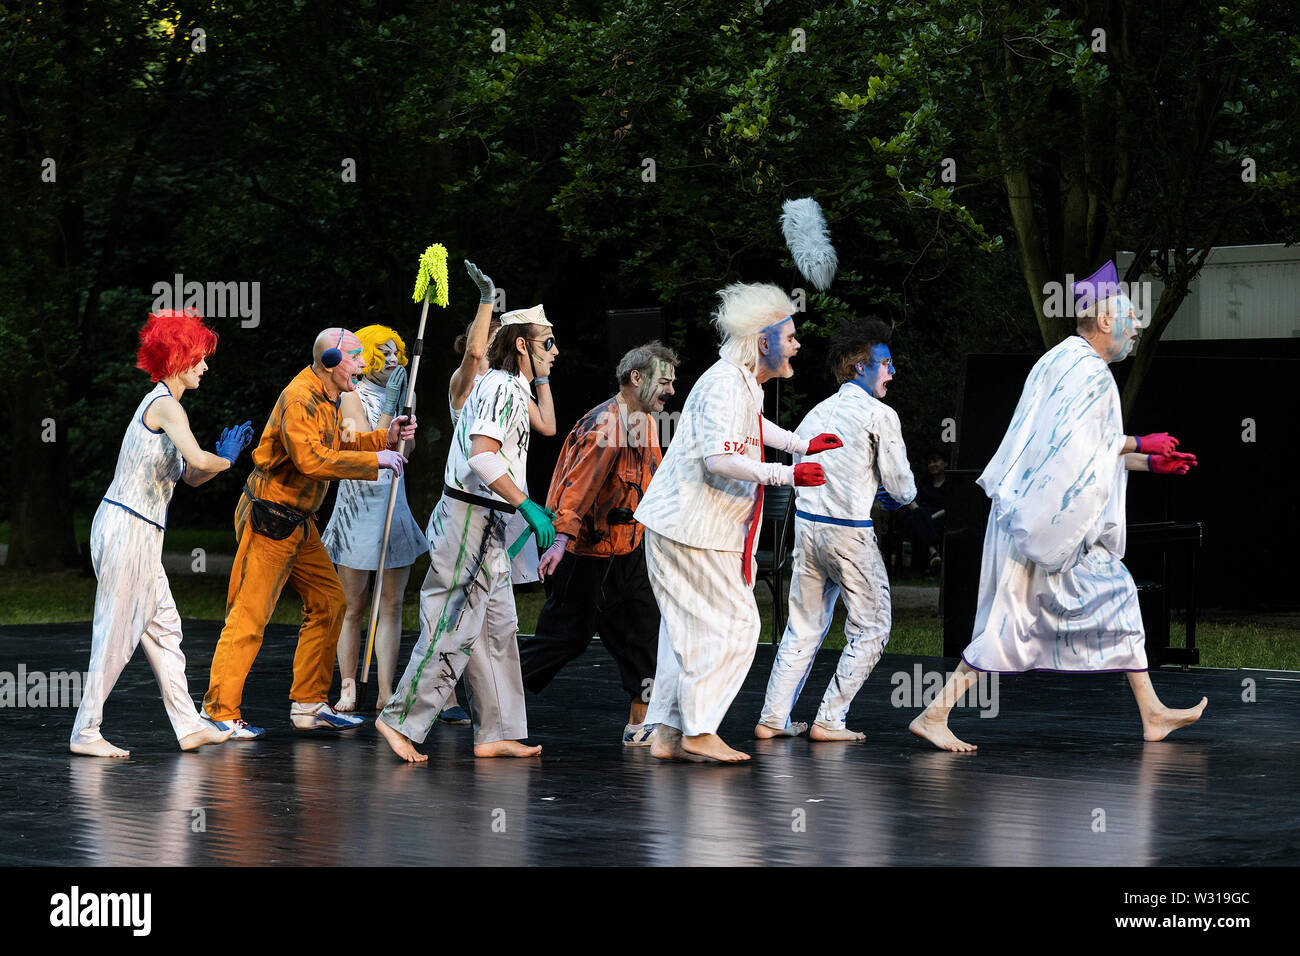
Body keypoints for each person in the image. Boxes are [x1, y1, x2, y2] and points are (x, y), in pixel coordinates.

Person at [908, 261, 1206, 752]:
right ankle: (934, 713)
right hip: (1038, 524)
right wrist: (1138, 441)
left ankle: (1152, 713)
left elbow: (1083, 457)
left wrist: (1149, 464)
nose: (1136, 330)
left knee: (1118, 594)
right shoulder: (1084, 372)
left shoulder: (1061, 360)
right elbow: (1074, 453)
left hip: (1043, 518)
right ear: (1106, 322)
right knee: (1008, 620)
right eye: (1131, 320)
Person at [633, 282, 843, 763]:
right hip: (693, 530)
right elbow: (719, 458)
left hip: (690, 528)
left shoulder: (739, 383)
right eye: (789, 337)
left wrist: (801, 445)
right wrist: (787, 473)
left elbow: (749, 426)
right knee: (737, 626)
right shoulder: (727, 384)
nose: (795, 345)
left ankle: (666, 733)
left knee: (685, 634)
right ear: (764, 341)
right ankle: (699, 729)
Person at [201, 328, 416, 738]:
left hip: (300, 521)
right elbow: (312, 461)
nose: (363, 365)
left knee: (329, 601)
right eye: (355, 358)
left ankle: (309, 703)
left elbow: (339, 443)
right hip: (270, 517)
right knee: (250, 615)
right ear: (332, 363)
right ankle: (219, 712)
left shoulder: (329, 396)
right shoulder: (300, 398)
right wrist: (376, 458)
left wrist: (382, 438)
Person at [376, 306, 559, 762]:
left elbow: (549, 426)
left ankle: (496, 731)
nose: (556, 352)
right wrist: (528, 506)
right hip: (470, 520)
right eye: (547, 343)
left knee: (498, 629)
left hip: (490, 524)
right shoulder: (496, 386)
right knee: (452, 625)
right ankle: (397, 719)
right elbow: (482, 457)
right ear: (522, 346)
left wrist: (539, 376)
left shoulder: (514, 386)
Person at [70, 309, 250, 757]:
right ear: (178, 358)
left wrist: (215, 462)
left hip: (141, 533)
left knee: (165, 629)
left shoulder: (168, 407)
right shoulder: (166, 404)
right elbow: (200, 461)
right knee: (116, 631)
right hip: (126, 528)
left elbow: (189, 476)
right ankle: (85, 731)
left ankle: (188, 726)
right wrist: (226, 459)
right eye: (200, 358)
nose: (205, 367)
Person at [755, 317, 916, 743]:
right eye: (886, 364)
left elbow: (799, 471)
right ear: (860, 367)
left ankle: (772, 718)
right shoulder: (880, 415)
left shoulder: (815, 414)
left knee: (802, 627)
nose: (892, 372)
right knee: (873, 627)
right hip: (849, 534)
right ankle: (830, 718)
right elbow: (902, 487)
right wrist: (889, 495)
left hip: (808, 532)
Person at [519, 341, 679, 745]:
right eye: (664, 381)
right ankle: (492, 699)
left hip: (626, 551)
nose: (671, 391)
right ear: (636, 378)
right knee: (562, 641)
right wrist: (560, 541)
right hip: (586, 555)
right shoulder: (608, 425)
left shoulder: (642, 422)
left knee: (642, 635)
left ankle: (639, 723)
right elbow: (578, 486)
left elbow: (652, 484)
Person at [321, 324, 427, 712]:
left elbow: (405, 453)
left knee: (393, 604)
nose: (395, 359)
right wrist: (388, 408)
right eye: (385, 352)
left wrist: (405, 413)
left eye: (397, 352)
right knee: (354, 605)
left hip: (392, 504)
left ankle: (386, 691)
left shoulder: (404, 393)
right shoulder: (351, 395)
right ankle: (348, 686)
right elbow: (363, 450)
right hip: (358, 508)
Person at [901, 449, 948, 573]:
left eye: (935, 461)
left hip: (940, 517)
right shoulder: (923, 481)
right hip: (919, 515)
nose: (932, 465)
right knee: (915, 518)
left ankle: (931, 557)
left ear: (945, 463)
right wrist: (922, 515)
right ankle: (933, 552)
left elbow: (950, 506)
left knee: (919, 523)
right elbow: (912, 500)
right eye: (929, 463)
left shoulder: (950, 483)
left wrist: (928, 518)